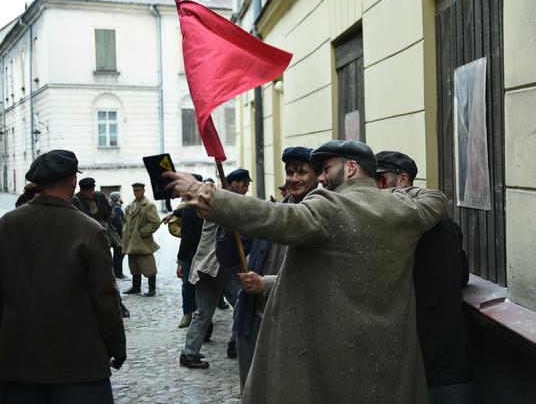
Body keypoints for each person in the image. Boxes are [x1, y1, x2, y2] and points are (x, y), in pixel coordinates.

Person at [165, 140, 446, 403]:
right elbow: (435, 197)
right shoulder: (406, 208)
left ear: (350, 168)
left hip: (331, 363)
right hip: (388, 361)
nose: (321, 178)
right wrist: (385, 192)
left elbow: (275, 216)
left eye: (326, 169)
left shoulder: (330, 206)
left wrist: (207, 194)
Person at [0, 149, 126, 404]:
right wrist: (116, 347)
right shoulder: (89, 230)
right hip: (79, 365)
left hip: (19, 362)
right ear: (73, 181)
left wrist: (5, 339)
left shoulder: (5, 225)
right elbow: (105, 299)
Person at [217, 147, 318, 391]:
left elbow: (317, 277)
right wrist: (227, 222)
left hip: (295, 327)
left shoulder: (321, 217)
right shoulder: (270, 214)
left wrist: (267, 283)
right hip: (253, 320)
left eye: (302, 172)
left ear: (317, 177)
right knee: (253, 390)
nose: (294, 179)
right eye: (290, 172)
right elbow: (228, 257)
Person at [376, 150, 472, 403]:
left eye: (381, 180)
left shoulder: (408, 225)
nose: (375, 188)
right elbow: (461, 275)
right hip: (445, 351)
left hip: (423, 354)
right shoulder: (443, 221)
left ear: (403, 180)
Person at [178, 169, 250, 369]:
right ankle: (189, 354)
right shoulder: (218, 201)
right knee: (205, 312)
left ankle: (234, 345)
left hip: (227, 268)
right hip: (211, 267)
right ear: (232, 183)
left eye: (247, 185)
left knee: (242, 304)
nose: (246, 189)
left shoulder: (232, 201)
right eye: (243, 184)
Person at [72, 178, 130, 318]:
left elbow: (110, 214)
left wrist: (102, 224)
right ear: (82, 190)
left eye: (93, 189)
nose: (91, 192)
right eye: (88, 190)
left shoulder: (100, 197)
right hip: (86, 240)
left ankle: (119, 305)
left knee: (108, 272)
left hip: (104, 237)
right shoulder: (76, 201)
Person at [162, 174, 205, 328]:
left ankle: (192, 315)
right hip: (203, 254)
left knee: (188, 285)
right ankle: (192, 314)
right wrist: (173, 214)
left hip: (194, 254)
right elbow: (183, 211)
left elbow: (187, 240)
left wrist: (180, 261)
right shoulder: (204, 205)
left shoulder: (190, 211)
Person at [122, 183, 161, 297]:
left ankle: (152, 288)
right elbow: (126, 221)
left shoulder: (148, 205)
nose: (137, 192)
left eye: (139, 190)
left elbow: (155, 222)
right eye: (135, 190)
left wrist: (143, 233)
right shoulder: (130, 205)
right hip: (131, 240)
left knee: (148, 266)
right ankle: (136, 287)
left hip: (142, 241)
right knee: (134, 266)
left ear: (143, 191)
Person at [109, 192, 127, 280]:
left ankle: (115, 272)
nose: (121, 198)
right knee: (120, 254)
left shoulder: (112, 207)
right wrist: (122, 235)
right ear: (117, 198)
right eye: (120, 197)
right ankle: (119, 273)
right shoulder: (117, 209)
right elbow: (119, 224)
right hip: (118, 235)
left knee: (117, 254)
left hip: (115, 235)